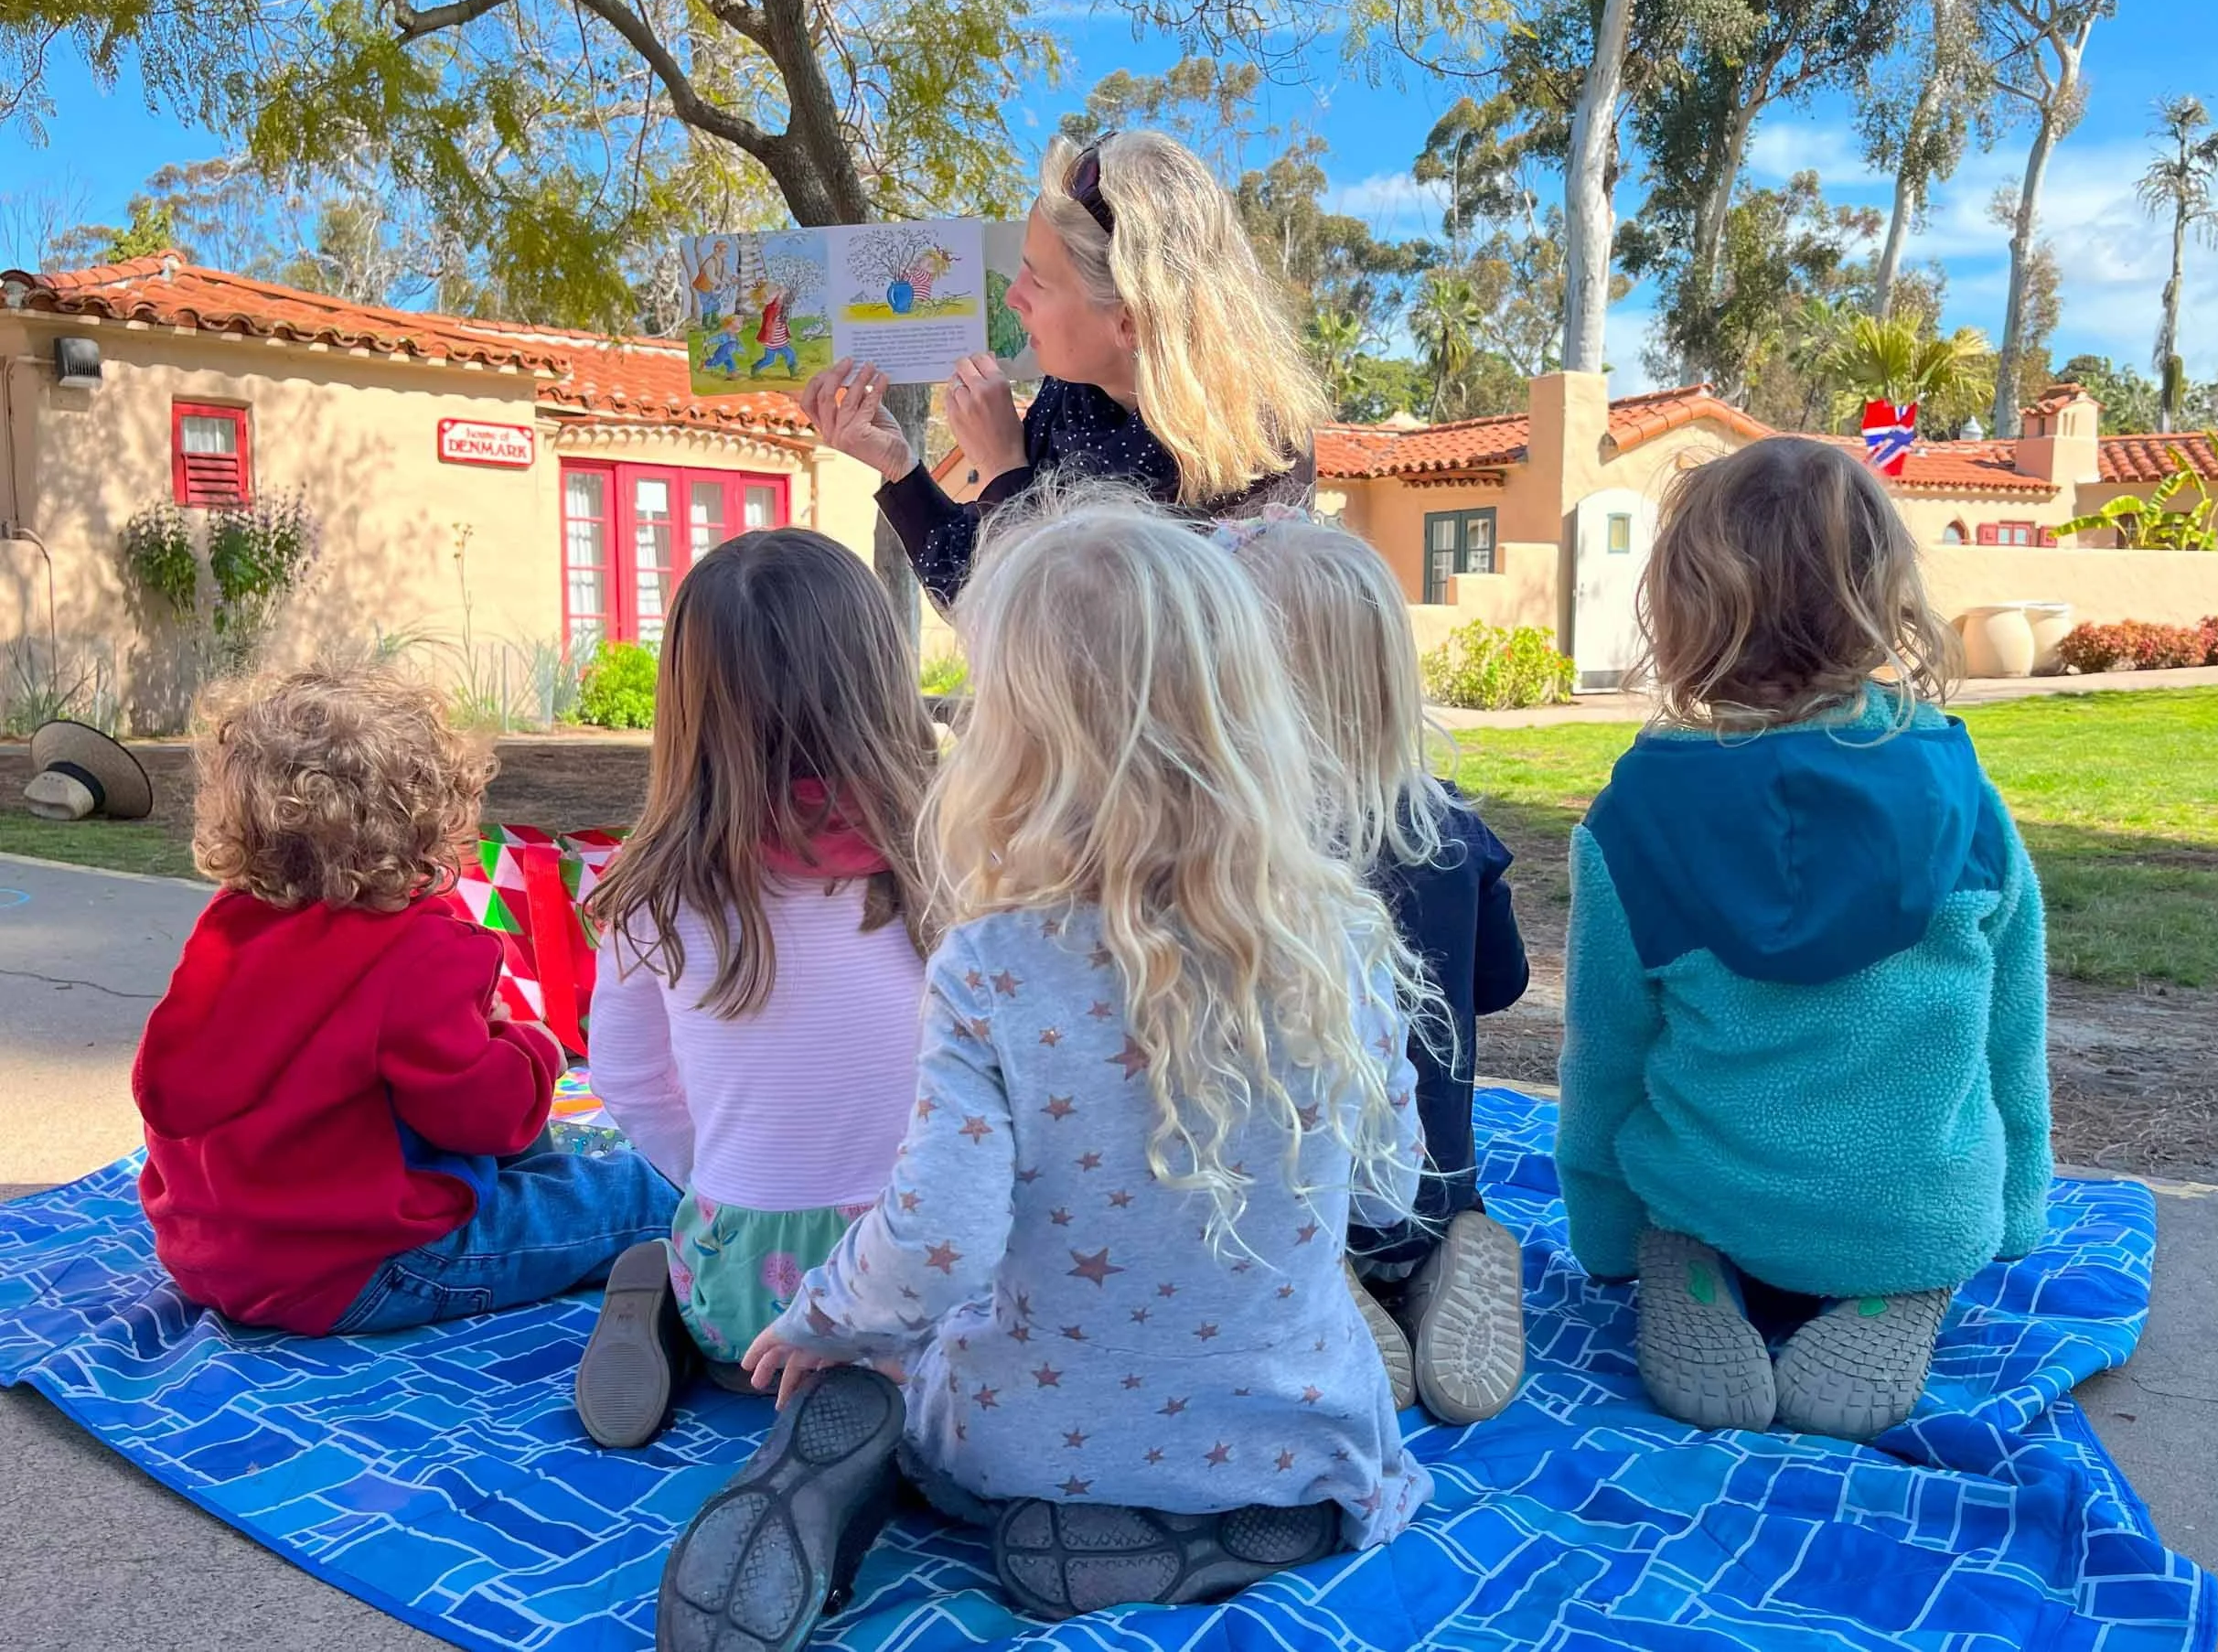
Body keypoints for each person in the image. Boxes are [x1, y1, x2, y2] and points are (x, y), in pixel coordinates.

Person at [652, 490, 1431, 1652]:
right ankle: (1212, 1540)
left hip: (1023, 1443)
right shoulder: (1347, 940)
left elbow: (938, 1240)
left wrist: (828, 1319)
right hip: (1288, 1437)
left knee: (905, 1374)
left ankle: (841, 1472)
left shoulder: (992, 965)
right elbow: (1389, 1191)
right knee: (1340, 1447)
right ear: (1254, 709)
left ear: (1013, 737)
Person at [1555, 437, 2052, 1442]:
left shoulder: (1636, 817)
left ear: (1684, 601)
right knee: (1926, 1214)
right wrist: (2017, 1209)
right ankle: (1897, 1283)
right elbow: (2012, 1023)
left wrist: (1601, 1233)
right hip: (1914, 1200)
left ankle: (1681, 1257)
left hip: (1714, 1189)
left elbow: (1603, 1055)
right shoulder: (1960, 795)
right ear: (1881, 592)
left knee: (1679, 1200)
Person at [134, 663, 679, 1336]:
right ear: (426, 822)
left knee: (534, 1154)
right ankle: (713, 1271)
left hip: (210, 1254)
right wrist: (533, 1045)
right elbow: (488, 1118)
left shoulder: (229, 925)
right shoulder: (421, 949)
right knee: (636, 1190)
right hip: (360, 1270)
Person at [572, 530, 939, 1449]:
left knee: (655, 1212)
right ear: (879, 681)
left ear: (685, 704)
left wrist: (724, 1183)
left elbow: (626, 1083)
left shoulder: (647, 892)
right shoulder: (960, 862)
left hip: (745, 1298)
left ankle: (685, 1301)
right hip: (934, 1292)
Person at [1235, 522, 1530, 1427]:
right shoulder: (1454, 833)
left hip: (1303, 1186)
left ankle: (1335, 1283)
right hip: (1438, 1178)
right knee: (1436, 1179)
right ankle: (1451, 1248)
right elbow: (1501, 985)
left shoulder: (1235, 854)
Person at [799, 130, 1325, 602]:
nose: (1012, 297)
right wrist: (900, 467)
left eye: (1039, 281)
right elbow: (968, 590)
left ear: (1131, 322)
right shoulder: (1074, 398)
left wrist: (1006, 468)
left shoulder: (1252, 450)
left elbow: (1062, 642)